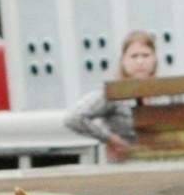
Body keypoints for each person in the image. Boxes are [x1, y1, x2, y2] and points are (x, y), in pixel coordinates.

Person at [65, 30, 162, 160]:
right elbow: (74, 118)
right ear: (123, 61)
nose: (140, 61)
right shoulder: (113, 92)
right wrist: (110, 139)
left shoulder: (163, 92)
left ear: (155, 59)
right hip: (125, 167)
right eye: (134, 56)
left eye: (146, 55)